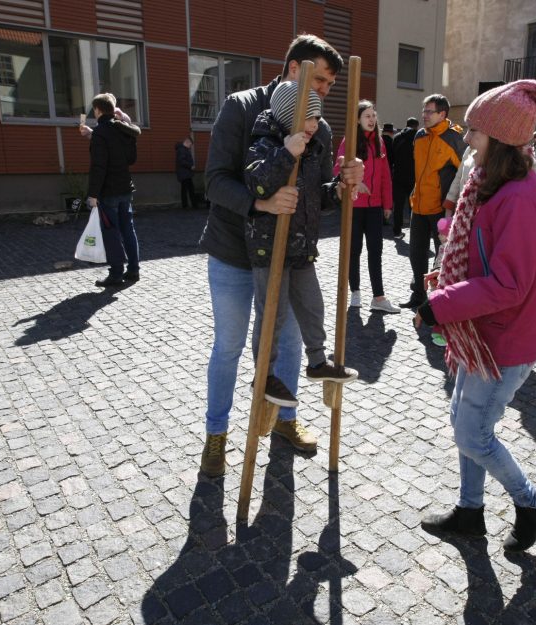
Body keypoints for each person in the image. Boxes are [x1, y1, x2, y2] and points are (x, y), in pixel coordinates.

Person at [198, 34, 363, 477]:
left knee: (289, 342)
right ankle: (217, 435)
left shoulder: (321, 129)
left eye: (330, 84)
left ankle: (286, 421)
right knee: (231, 346)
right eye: (322, 80)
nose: (326, 92)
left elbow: (315, 198)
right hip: (235, 250)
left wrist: (342, 187)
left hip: (289, 255)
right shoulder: (242, 107)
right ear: (295, 69)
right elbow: (214, 182)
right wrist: (262, 204)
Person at [415, 79, 536, 552]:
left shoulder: (520, 196)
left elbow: (508, 285)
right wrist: (448, 279)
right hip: (482, 331)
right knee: (465, 421)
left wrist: (441, 304)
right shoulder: (490, 183)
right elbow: (480, 256)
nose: (467, 139)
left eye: (475, 132)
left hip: (504, 340)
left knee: (471, 431)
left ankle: (530, 503)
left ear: (499, 139)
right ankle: (470, 512)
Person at [244, 81, 358, 406]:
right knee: (273, 315)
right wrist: (285, 154)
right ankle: (264, 376)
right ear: (288, 116)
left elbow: (313, 196)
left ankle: (318, 362)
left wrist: (335, 190)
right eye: (309, 118)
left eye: (317, 118)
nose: (315, 125)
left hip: (301, 247)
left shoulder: (311, 150)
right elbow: (258, 183)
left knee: (313, 305)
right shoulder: (264, 144)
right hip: (270, 249)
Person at [400, 94, 466, 309]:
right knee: (416, 254)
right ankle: (418, 295)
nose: (424, 115)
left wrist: (454, 207)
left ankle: (439, 302)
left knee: (442, 259)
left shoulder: (454, 138)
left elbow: (465, 174)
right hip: (418, 206)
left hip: (441, 211)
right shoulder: (419, 136)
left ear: (442, 114)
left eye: (430, 112)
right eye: (424, 111)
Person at [335, 100, 400, 314]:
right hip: (354, 206)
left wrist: (387, 204)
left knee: (376, 251)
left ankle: (378, 297)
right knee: (354, 250)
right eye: (367, 116)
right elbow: (339, 167)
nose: (372, 119)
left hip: (375, 206)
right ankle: (355, 292)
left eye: (373, 115)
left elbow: (385, 176)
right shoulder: (350, 141)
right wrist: (354, 182)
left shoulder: (380, 143)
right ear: (358, 120)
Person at [83, 93, 142, 287]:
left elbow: (99, 166)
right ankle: (133, 270)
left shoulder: (101, 132)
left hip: (108, 192)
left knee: (111, 233)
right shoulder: (124, 129)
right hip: (125, 188)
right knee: (128, 230)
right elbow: (130, 159)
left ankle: (116, 273)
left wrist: (93, 194)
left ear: (97, 110)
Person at [390, 117, 418, 239]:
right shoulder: (419, 138)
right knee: (414, 207)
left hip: (398, 176)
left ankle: (397, 232)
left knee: (398, 207)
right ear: (416, 126)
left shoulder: (397, 138)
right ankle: (415, 232)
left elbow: (391, 158)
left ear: (406, 125)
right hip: (413, 177)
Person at [175, 136, 198, 209]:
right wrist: (190, 166)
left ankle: (186, 205)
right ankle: (192, 205)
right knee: (189, 189)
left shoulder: (182, 149)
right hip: (185, 173)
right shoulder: (182, 150)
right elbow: (181, 161)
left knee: (185, 190)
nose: (190, 146)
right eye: (190, 145)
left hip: (184, 173)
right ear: (187, 142)